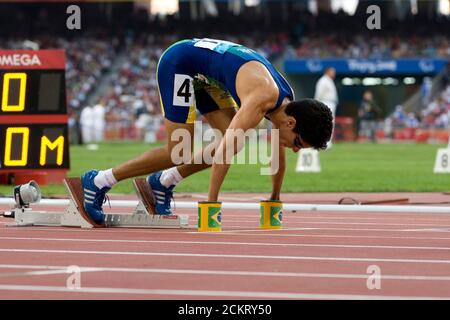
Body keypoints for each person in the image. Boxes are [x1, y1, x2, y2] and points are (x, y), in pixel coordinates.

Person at [81, 38, 333, 223]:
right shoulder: (261, 100)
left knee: (240, 141)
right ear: (291, 124)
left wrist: (274, 196)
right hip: (181, 63)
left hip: (209, 77)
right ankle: (99, 180)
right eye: (299, 143)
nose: (296, 149)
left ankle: (164, 181)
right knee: (179, 150)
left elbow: (277, 154)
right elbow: (224, 152)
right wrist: (211, 204)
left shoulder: (288, 107)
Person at [314, 67, 338, 147]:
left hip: (331, 103)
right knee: (325, 123)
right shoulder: (323, 80)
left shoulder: (329, 80)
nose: (334, 73)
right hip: (325, 102)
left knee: (330, 123)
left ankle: (327, 142)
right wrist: (316, 104)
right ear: (327, 71)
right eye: (332, 72)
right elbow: (318, 94)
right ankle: (323, 142)